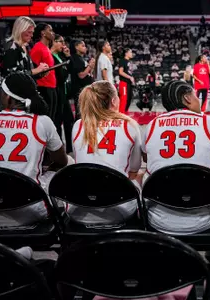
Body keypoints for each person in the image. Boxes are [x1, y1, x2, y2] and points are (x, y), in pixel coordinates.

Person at [0, 72, 68, 227]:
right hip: (29, 209)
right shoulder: (42, 121)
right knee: (68, 163)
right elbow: (61, 161)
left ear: (9, 98)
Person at [141, 80, 210, 235]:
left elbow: (147, 159)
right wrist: (203, 156)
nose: (198, 99)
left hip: (158, 219)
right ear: (187, 98)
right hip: (203, 221)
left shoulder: (152, 125)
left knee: (150, 172)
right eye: (195, 95)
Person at [71, 81, 141, 225]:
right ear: (114, 101)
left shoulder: (78, 125)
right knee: (140, 175)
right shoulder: (129, 125)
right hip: (118, 209)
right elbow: (133, 170)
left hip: (81, 208)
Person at [30, 23, 58, 126]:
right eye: (50, 30)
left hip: (51, 86)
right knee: (46, 119)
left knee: (51, 119)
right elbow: (33, 69)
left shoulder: (46, 48)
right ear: (43, 33)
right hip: (43, 87)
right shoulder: (38, 48)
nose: (52, 33)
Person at [51, 34, 74, 154]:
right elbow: (61, 76)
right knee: (57, 121)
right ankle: (58, 148)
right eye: (61, 42)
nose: (63, 45)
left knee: (69, 120)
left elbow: (69, 70)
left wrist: (68, 56)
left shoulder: (60, 56)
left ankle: (69, 147)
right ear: (54, 42)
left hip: (63, 93)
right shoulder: (51, 56)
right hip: (57, 92)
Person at [70, 40, 95, 119]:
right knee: (80, 113)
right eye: (83, 46)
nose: (85, 48)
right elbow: (81, 75)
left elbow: (88, 74)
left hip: (84, 89)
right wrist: (90, 66)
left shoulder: (81, 58)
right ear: (76, 47)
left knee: (85, 113)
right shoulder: (75, 58)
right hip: (79, 90)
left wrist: (91, 67)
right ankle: (78, 130)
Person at [118, 48, 135, 113]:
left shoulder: (129, 62)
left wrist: (132, 79)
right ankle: (120, 116)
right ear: (126, 53)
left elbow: (129, 73)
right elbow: (120, 72)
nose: (131, 53)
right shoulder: (122, 60)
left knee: (129, 100)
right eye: (130, 52)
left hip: (129, 83)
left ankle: (125, 115)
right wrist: (130, 77)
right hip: (124, 83)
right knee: (124, 100)